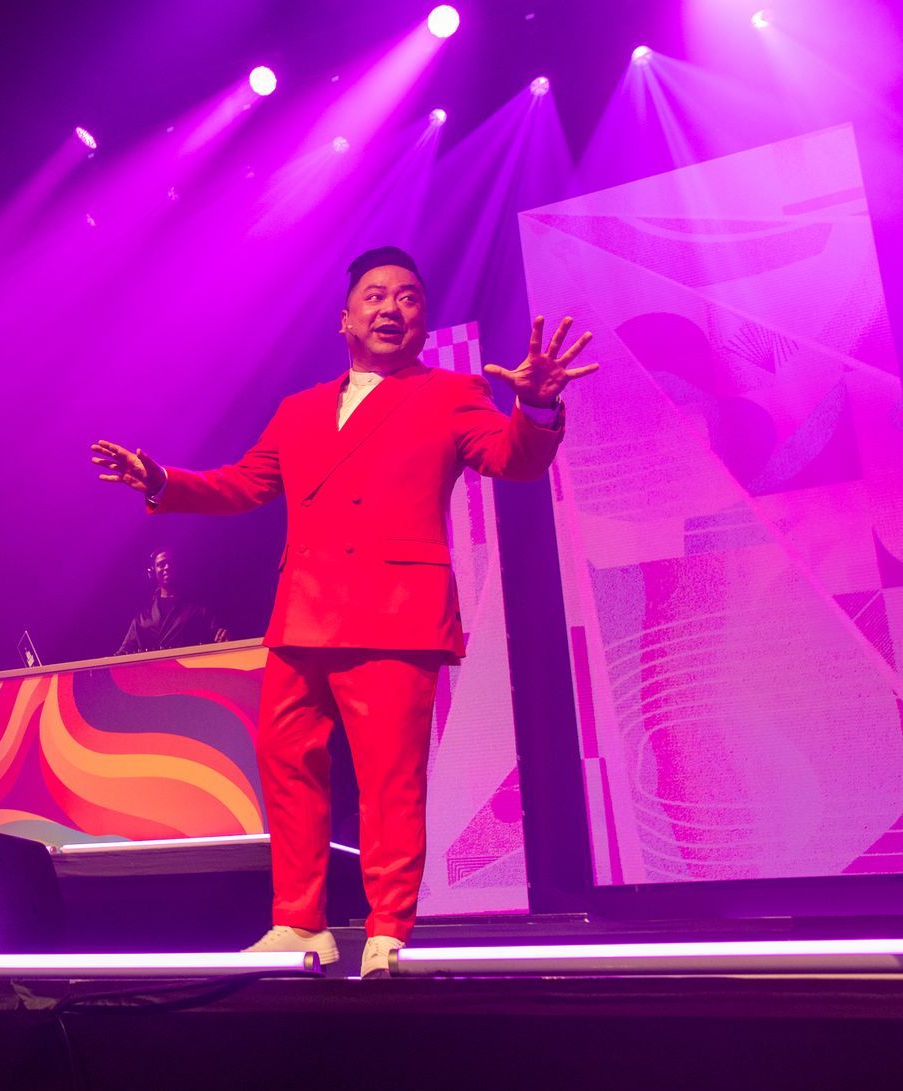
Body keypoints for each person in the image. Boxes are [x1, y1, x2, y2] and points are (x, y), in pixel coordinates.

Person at [90, 246, 598, 976]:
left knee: (391, 778)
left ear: (423, 319)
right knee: (286, 767)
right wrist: (162, 479)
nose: (393, 308)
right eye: (377, 296)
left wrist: (538, 403)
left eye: (410, 298)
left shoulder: (451, 393)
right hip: (303, 615)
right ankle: (299, 924)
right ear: (345, 318)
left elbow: (513, 459)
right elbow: (240, 485)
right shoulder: (299, 410)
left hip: (396, 611)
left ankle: (388, 927)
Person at [114, 547, 229, 655]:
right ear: (153, 572)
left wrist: (224, 642)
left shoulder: (199, 610)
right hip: (152, 675)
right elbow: (123, 653)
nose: (167, 567)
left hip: (187, 674)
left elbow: (220, 639)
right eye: (161, 564)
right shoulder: (141, 618)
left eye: (171, 563)